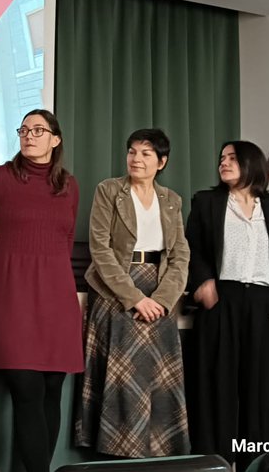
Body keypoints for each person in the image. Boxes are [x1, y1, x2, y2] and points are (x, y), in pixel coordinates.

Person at [0, 109, 82, 472]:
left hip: (57, 297)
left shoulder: (69, 185)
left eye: (38, 130)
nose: (29, 135)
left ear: (55, 139)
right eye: (24, 130)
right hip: (11, 295)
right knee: (27, 390)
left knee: (52, 392)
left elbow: (65, 240)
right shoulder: (0, 178)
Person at [185, 141, 269, 468]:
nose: (223, 163)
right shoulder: (206, 201)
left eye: (232, 158)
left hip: (266, 307)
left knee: (261, 395)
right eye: (221, 158)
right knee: (216, 390)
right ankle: (216, 465)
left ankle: (255, 464)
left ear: (252, 164)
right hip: (221, 301)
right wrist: (203, 281)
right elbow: (192, 249)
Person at [75, 128, 190, 457]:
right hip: (116, 291)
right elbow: (100, 250)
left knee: (157, 379)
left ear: (161, 162)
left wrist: (162, 300)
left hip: (160, 292)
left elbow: (180, 255)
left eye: (145, 153)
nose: (136, 159)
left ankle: (158, 451)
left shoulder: (172, 200)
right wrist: (135, 298)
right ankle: (116, 453)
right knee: (122, 378)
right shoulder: (109, 190)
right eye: (132, 152)